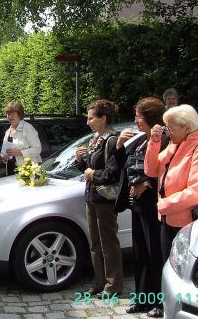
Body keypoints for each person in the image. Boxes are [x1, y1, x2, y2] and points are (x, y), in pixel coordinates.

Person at [145, 105, 198, 295]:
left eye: (171, 127)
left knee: (181, 273)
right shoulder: (174, 146)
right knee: (168, 267)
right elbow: (151, 170)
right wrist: (155, 141)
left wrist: (164, 204)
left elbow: (197, 192)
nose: (168, 131)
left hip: (186, 222)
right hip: (168, 219)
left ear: (186, 127)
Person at [115, 98, 168, 317]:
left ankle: (160, 302)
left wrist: (146, 184)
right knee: (141, 254)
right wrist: (118, 146)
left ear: (149, 118)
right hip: (137, 205)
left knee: (156, 253)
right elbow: (123, 166)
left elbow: (166, 172)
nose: (136, 120)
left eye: (138, 116)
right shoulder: (140, 141)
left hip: (153, 205)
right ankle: (142, 298)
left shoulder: (163, 141)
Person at [75, 99, 123, 297]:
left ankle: (113, 285)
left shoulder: (112, 140)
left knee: (108, 243)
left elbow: (113, 172)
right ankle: (98, 281)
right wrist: (80, 161)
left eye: (91, 118)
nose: (88, 122)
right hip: (92, 196)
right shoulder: (95, 139)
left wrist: (92, 174)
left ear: (103, 119)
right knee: (94, 243)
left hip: (104, 198)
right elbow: (87, 168)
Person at [1, 101, 42, 176]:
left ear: (19, 114)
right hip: (11, 171)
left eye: (12, 113)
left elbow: (37, 149)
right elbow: (7, 153)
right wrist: (4, 157)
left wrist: (19, 153)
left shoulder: (28, 128)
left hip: (27, 172)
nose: (9, 116)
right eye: (8, 114)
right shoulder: (8, 131)